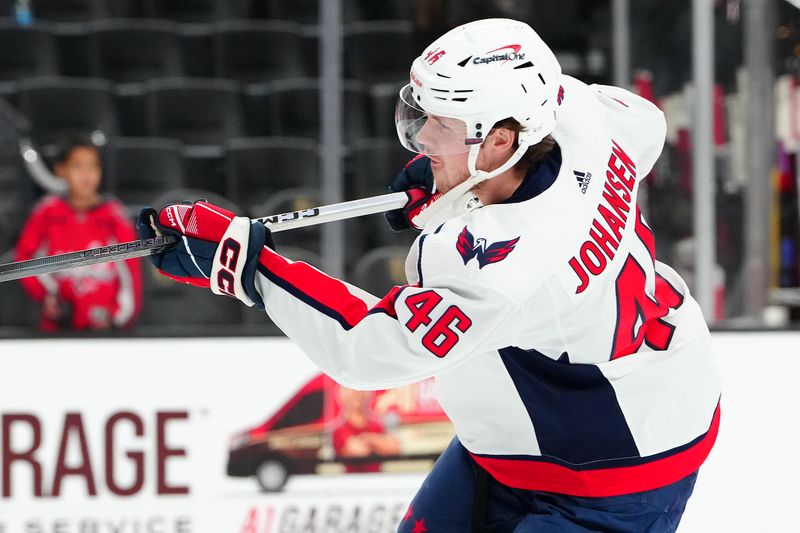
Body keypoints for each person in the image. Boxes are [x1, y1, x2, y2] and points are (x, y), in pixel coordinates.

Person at [137, 18, 720, 532]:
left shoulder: (506, 269)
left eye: (442, 124)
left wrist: (246, 266)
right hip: (529, 434)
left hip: (620, 468)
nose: (422, 138)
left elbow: (369, 347)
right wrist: (456, 189)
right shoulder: (574, 114)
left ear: (499, 141)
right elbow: (643, 124)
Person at [15, 134, 142, 332]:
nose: (87, 175)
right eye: (78, 166)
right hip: (57, 330)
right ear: (61, 170)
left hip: (105, 331)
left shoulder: (114, 217)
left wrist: (117, 318)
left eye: (93, 166)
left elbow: (130, 276)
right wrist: (48, 294)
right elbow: (25, 259)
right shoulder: (47, 213)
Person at [332, 386, 401, 473]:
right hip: (353, 481)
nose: (357, 396)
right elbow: (358, 451)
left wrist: (367, 439)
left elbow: (395, 448)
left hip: (377, 480)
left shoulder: (376, 424)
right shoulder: (339, 429)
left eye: (361, 392)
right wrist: (378, 443)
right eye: (353, 392)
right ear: (343, 396)